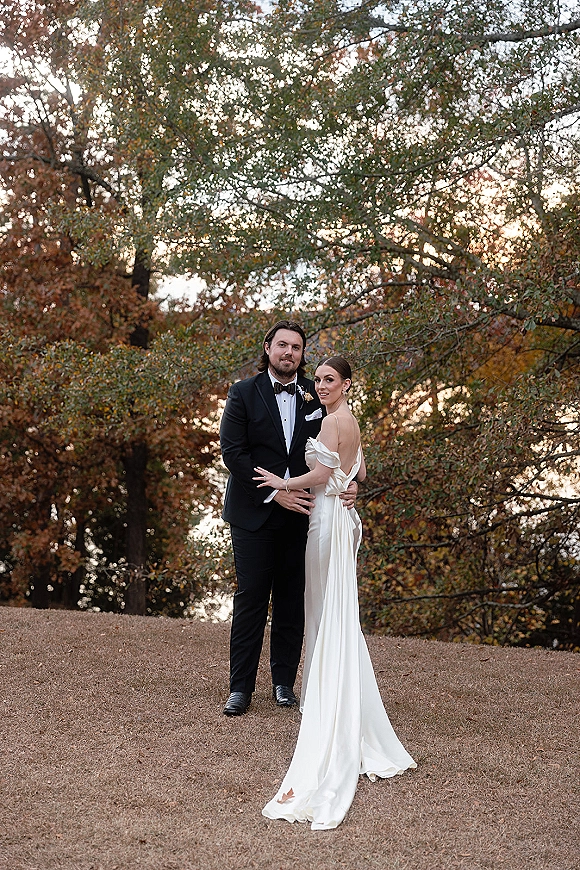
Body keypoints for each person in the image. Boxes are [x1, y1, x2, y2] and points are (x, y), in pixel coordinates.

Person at [254, 356, 416, 830]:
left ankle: (327, 700)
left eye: (330, 380)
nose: (321, 385)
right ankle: (336, 696)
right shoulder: (350, 420)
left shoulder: (332, 422)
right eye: (319, 379)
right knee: (334, 613)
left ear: (346, 384)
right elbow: (358, 475)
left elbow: (323, 478)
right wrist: (348, 485)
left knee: (325, 612)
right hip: (340, 520)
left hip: (325, 523)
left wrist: (284, 482)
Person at [220, 321, 357, 717]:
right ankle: (239, 688)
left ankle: (284, 683)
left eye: (296, 347)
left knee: (291, 601)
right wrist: (275, 491)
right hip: (253, 513)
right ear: (268, 348)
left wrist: (351, 485)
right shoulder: (243, 392)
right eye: (282, 345)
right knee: (250, 599)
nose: (289, 353)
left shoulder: (318, 399)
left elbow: (343, 452)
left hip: (304, 514)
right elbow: (234, 452)